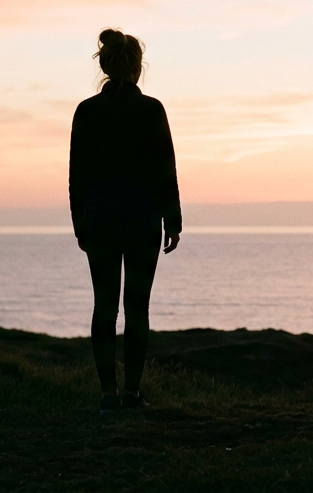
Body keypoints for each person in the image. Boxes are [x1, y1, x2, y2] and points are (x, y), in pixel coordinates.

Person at [69, 28, 181, 415]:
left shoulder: (87, 111)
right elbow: (165, 168)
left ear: (105, 66)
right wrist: (173, 220)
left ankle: (107, 395)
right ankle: (132, 393)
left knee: (104, 308)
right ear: (137, 67)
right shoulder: (151, 110)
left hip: (99, 219)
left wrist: (80, 223)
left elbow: (77, 174)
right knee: (137, 309)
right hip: (142, 220)